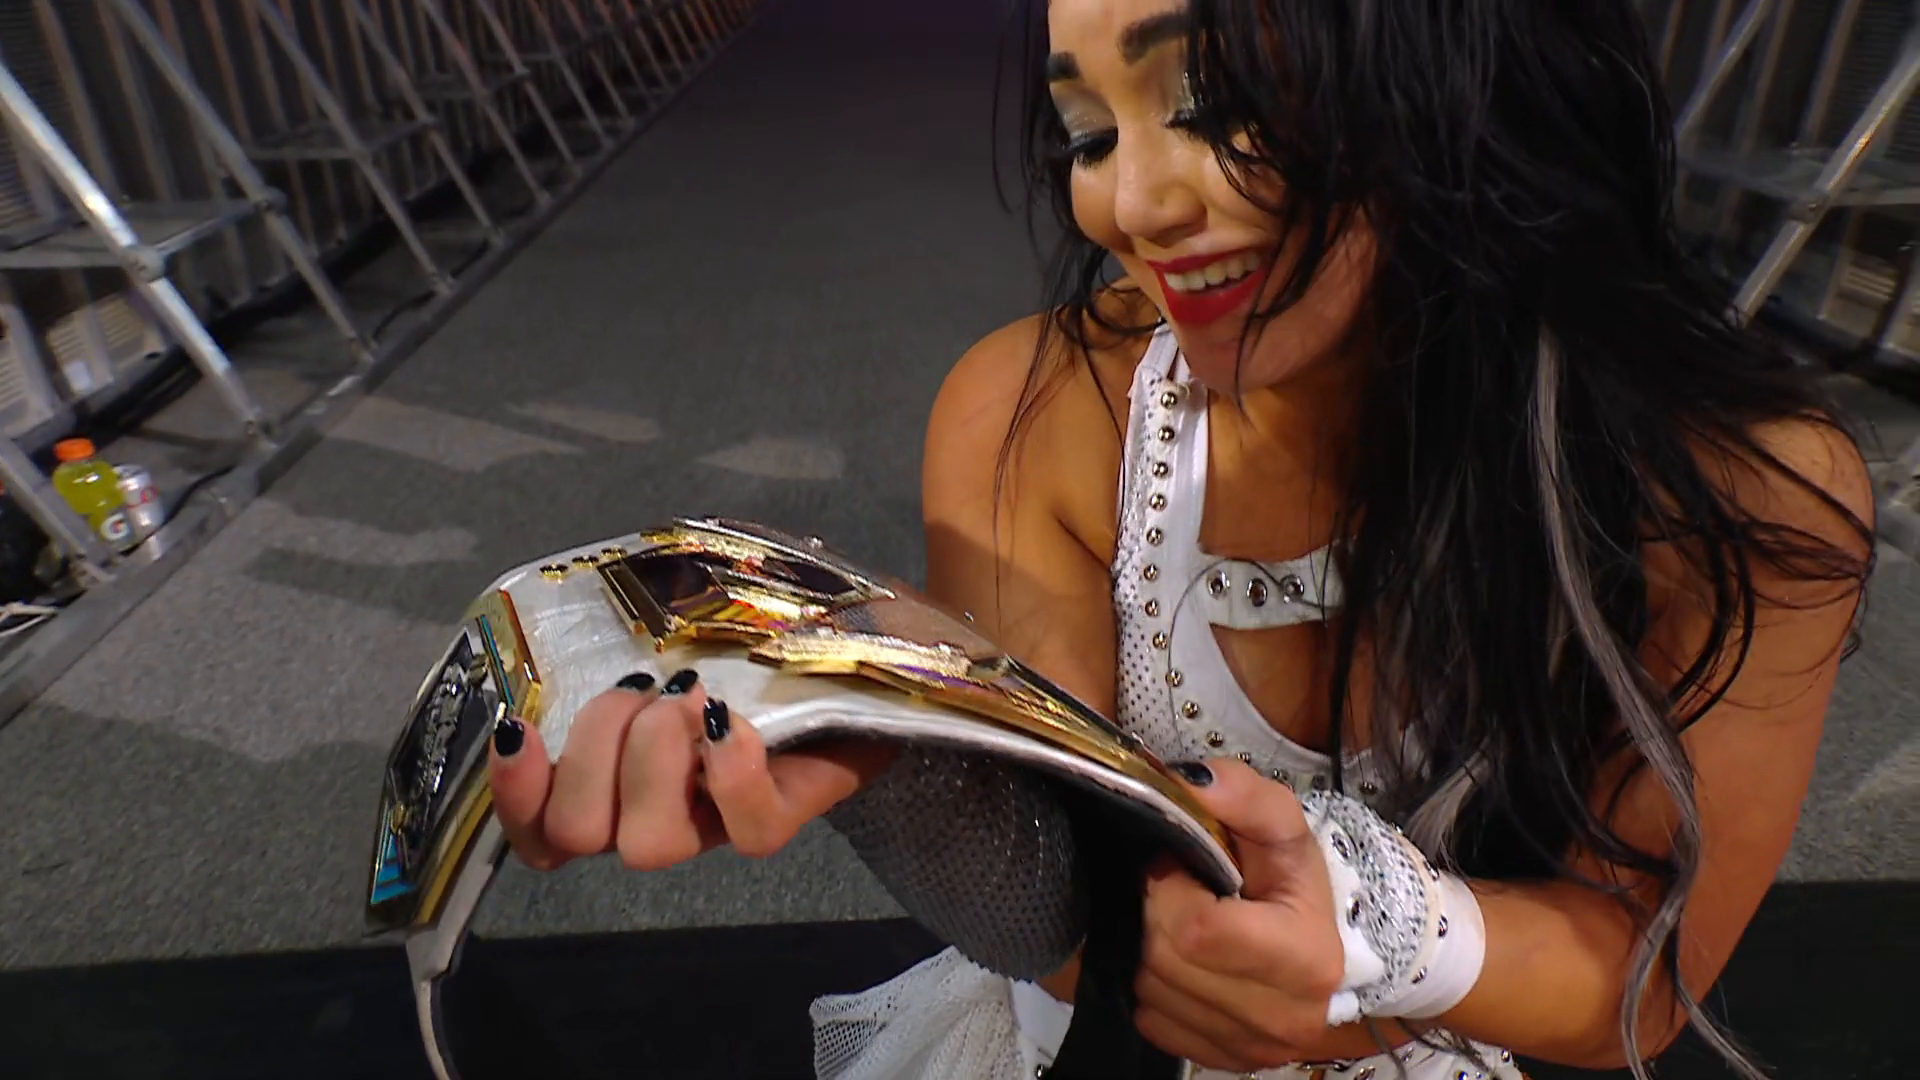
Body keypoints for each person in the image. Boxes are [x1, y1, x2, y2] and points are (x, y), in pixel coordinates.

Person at [482, 0, 1878, 1077]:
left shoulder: (1745, 493)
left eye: (1209, 102)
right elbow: (1065, 927)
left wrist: (1389, 951)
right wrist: (885, 737)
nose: (1132, 206)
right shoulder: (1030, 415)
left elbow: (1640, 975)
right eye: (1090, 133)